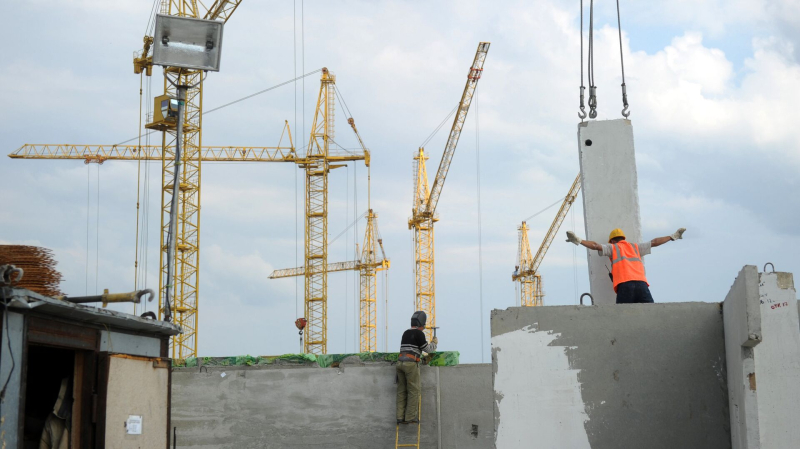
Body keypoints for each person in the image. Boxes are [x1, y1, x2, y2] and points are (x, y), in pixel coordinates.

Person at [566, 227, 686, 304]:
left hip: (625, 286)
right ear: (623, 238)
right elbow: (654, 242)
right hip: (641, 285)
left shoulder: (612, 248)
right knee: (650, 313)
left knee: (622, 317)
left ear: (612, 241)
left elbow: (595, 245)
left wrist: (579, 240)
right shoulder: (636, 247)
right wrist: (672, 237)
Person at [396, 311, 437, 425]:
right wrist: (434, 343)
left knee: (401, 391)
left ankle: (399, 417)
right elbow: (427, 350)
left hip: (400, 363)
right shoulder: (419, 334)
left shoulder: (405, 333)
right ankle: (409, 418)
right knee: (414, 391)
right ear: (421, 324)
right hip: (410, 364)